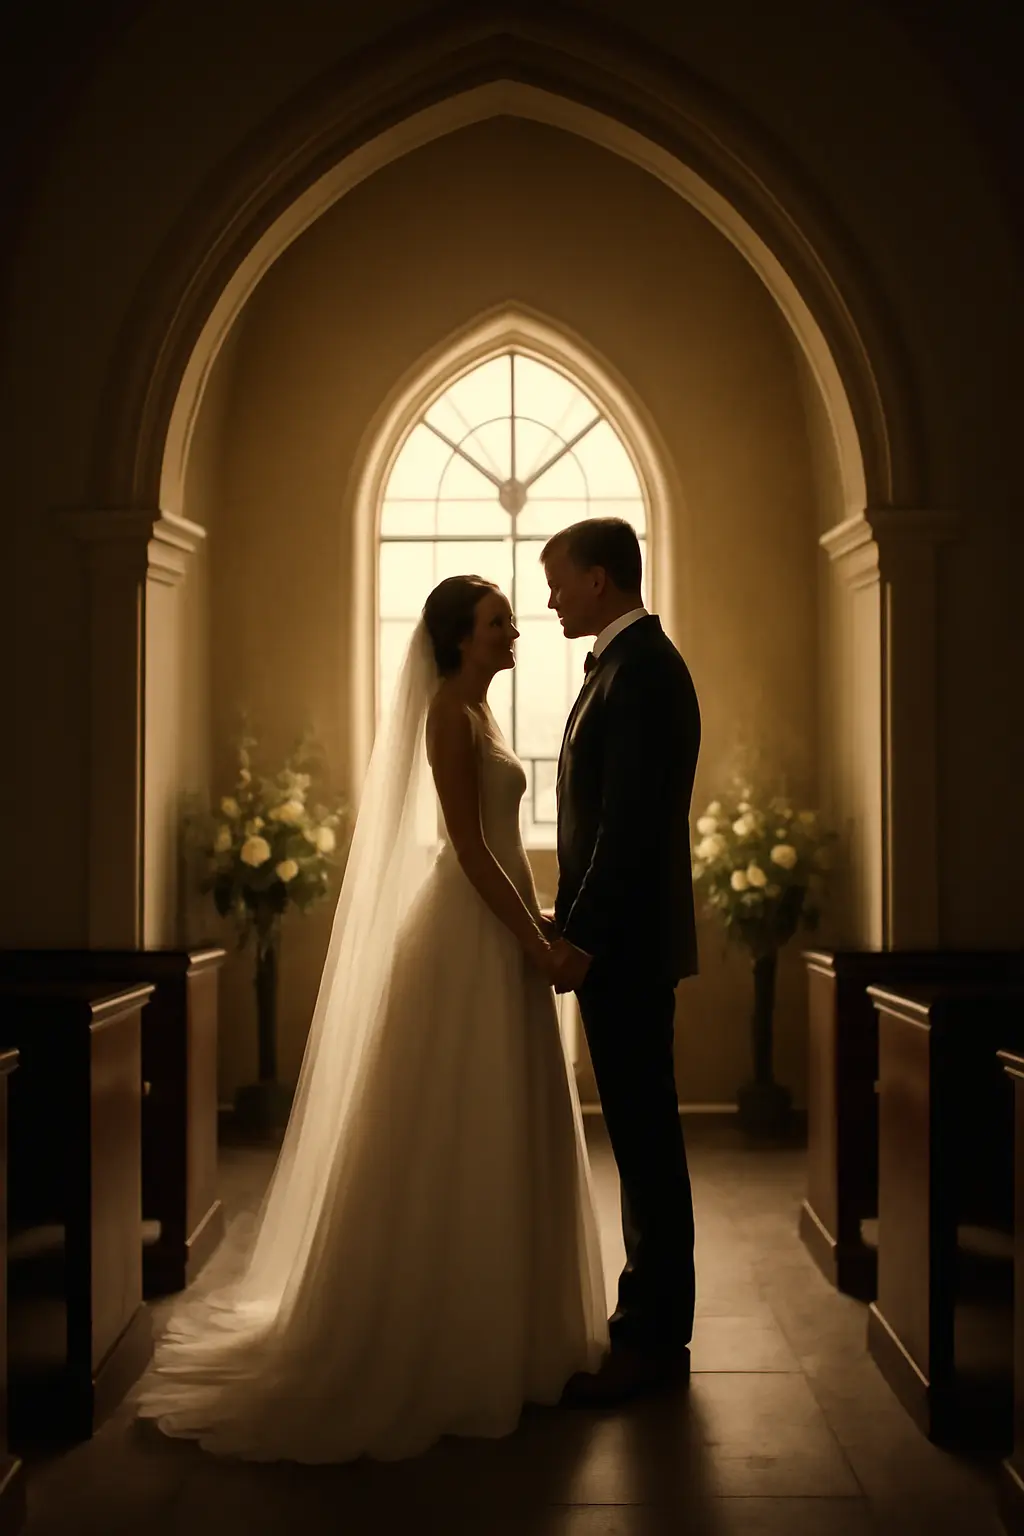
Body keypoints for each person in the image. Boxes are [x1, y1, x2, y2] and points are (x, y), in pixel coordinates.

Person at [135, 576, 607, 1464]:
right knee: (448, 1125)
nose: (515, 632)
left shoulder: (481, 713)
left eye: (510, 618)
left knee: (502, 1121)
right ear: (459, 639)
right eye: (498, 622)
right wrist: (537, 945)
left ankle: (517, 1334)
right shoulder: (447, 717)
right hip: (468, 938)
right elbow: (467, 850)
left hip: (497, 928)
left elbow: (495, 846)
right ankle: (440, 1343)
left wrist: (540, 919)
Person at [541, 518, 701, 1406]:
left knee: (645, 1144)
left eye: (561, 580)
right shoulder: (623, 667)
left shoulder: (642, 673)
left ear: (600, 579)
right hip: (624, 945)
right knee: (641, 1139)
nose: (553, 597)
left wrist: (582, 936)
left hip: (628, 951)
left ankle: (653, 1340)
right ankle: (644, 1325)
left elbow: (629, 831)